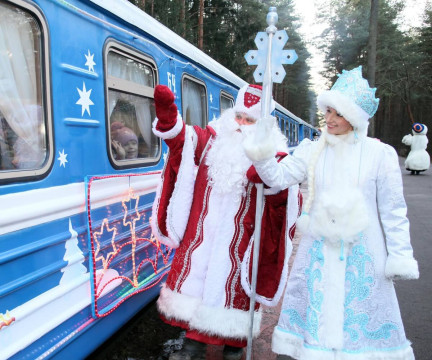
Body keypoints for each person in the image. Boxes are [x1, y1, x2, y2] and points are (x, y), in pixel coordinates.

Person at [243, 66, 419, 360]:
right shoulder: (313, 150)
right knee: (318, 326)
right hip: (319, 252)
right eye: (328, 111)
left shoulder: (379, 154)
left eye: (338, 113)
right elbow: (276, 178)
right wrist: (262, 149)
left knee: (359, 328)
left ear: (354, 117)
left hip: (364, 254)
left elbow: (393, 211)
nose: (330, 119)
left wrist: (399, 254)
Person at [150, 84, 302, 360]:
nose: (240, 125)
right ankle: (193, 344)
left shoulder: (274, 152)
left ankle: (235, 343)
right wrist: (169, 118)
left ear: (263, 124)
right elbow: (182, 141)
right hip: (202, 233)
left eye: (249, 120)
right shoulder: (212, 138)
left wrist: (265, 168)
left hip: (243, 238)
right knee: (197, 286)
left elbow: (281, 186)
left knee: (236, 290)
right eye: (238, 117)